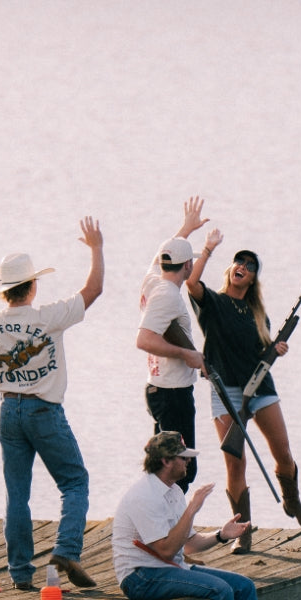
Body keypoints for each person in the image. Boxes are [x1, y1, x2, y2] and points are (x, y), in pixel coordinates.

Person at [112, 431, 301, 600]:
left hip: (170, 569)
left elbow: (188, 545)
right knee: (221, 591)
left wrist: (221, 535)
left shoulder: (173, 492)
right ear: (166, 461)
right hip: (140, 577)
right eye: (183, 458)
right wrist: (192, 510)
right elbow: (166, 548)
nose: (187, 463)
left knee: (244, 586)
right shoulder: (144, 496)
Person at [0, 217, 104, 591]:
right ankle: (66, 549)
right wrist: (96, 247)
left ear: (4, 291)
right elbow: (93, 290)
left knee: (17, 494)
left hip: (8, 410)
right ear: (32, 286)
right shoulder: (48, 317)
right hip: (44, 410)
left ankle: (19, 573)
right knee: (75, 482)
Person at [187, 236, 301, 553]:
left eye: (249, 265)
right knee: (235, 465)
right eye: (238, 262)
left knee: (282, 452)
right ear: (231, 269)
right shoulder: (214, 303)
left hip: (260, 388)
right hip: (226, 390)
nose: (242, 266)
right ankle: (242, 533)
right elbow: (191, 282)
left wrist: (277, 349)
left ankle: (292, 501)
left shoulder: (258, 314)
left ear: (254, 277)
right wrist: (207, 250)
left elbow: (263, 352)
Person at [135, 198, 209, 493]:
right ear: (188, 265)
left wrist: (186, 230)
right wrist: (186, 353)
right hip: (172, 392)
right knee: (179, 469)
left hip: (160, 388)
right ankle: (167, 530)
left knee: (164, 465)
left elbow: (161, 255)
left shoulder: (152, 279)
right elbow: (144, 339)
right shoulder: (168, 295)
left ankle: (163, 526)